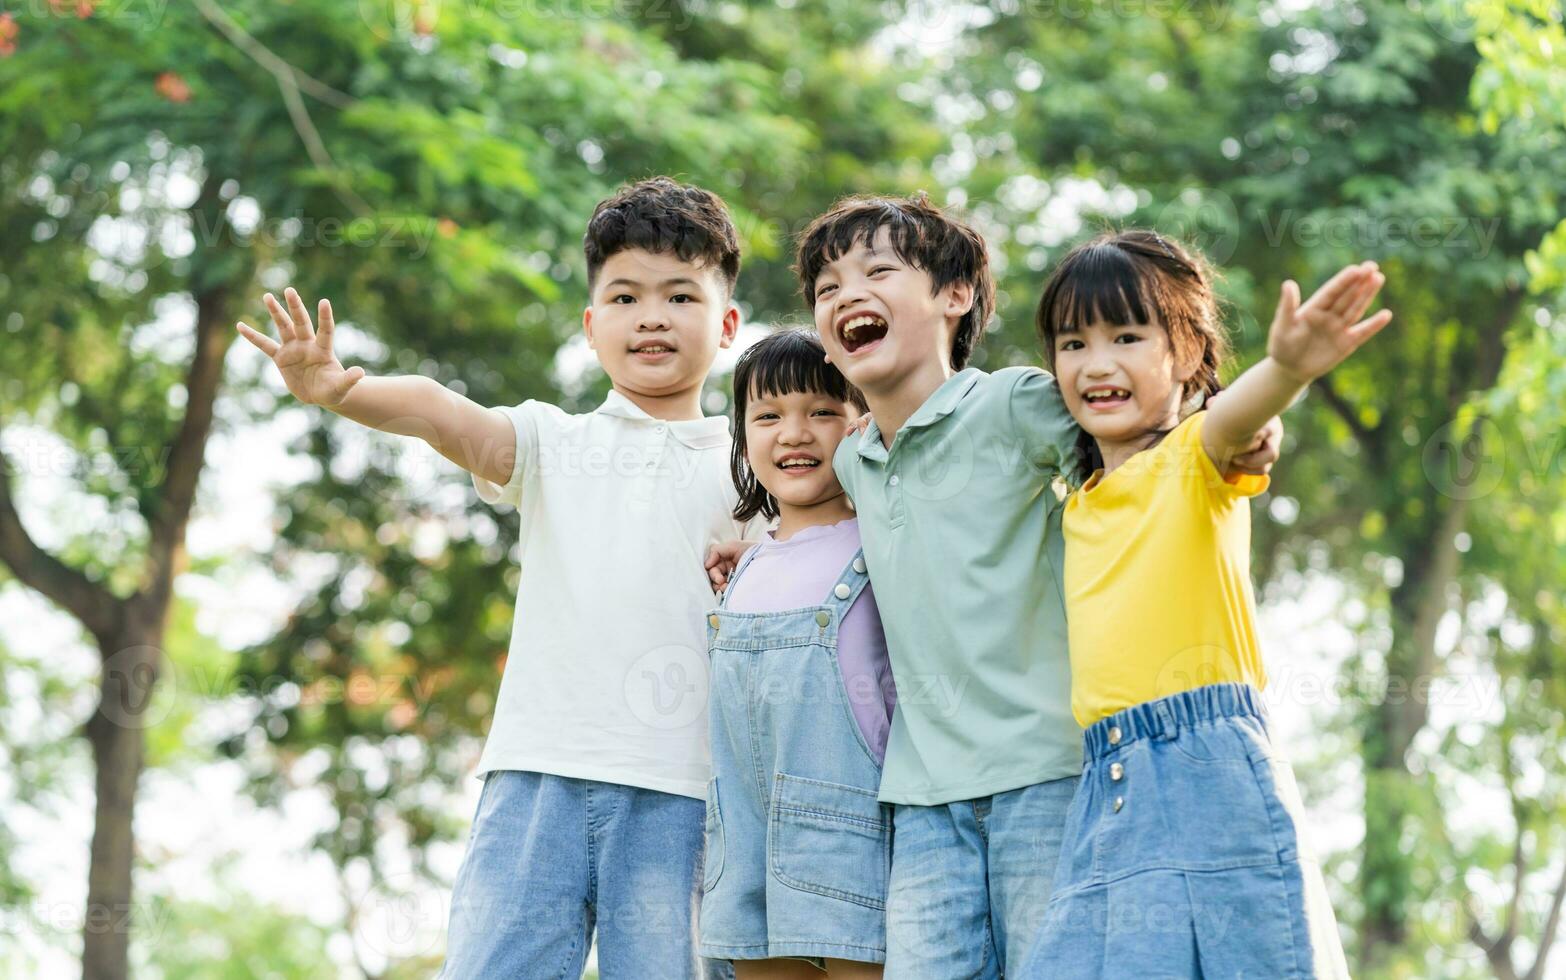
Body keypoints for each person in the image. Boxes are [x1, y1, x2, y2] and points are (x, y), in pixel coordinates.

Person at [236, 177, 753, 979]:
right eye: (624, 297)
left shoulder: (757, 467)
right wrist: (343, 390)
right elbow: (444, 411)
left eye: (679, 295)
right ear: (591, 327)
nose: (650, 316)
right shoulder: (552, 442)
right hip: (535, 779)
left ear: (725, 325)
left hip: (684, 793)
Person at [787, 194, 1282, 977]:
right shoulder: (854, 461)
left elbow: (1137, 439)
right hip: (922, 794)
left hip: (1049, 776)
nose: (846, 295)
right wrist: (740, 536)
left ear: (955, 297)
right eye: (826, 288)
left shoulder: (1014, 402)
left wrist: (1237, 428)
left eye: (878, 271)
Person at [1020, 230, 1388, 978]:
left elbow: (1234, 422)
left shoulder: (1193, 459)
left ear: (1187, 354)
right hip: (1105, 787)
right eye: (1073, 343)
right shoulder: (1078, 502)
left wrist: (1285, 369)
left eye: (1127, 336)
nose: (1097, 364)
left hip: (1203, 770)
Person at [700, 328, 897, 978]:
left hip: (850, 834)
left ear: (862, 423)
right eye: (769, 415)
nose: (794, 432)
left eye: (821, 411)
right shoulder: (744, 564)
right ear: (744, 433)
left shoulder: (881, 543)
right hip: (744, 837)